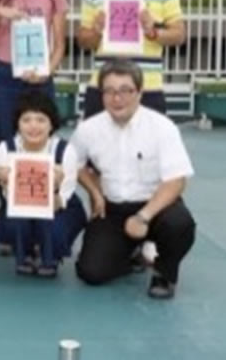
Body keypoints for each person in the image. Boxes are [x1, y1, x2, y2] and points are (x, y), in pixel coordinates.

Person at [68, 59, 196, 299]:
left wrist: (143, 216)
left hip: (156, 206)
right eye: (109, 91)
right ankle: (130, 253)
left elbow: (176, 181)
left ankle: (164, 272)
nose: (117, 98)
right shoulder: (88, 129)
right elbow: (73, 164)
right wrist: (95, 192)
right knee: (91, 272)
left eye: (125, 90)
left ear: (139, 92)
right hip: (113, 208)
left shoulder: (162, 127)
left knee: (179, 224)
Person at [0, 0, 68, 248]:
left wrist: (47, 71)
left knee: (40, 144)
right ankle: (10, 219)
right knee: (7, 145)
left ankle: (40, 216)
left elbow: (59, 44)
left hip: (38, 76)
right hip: (5, 74)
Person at [0, 90, 86, 277]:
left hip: (57, 207)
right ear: (17, 124)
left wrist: (54, 188)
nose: (33, 126)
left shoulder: (65, 151)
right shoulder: (5, 150)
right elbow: (11, 200)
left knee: (54, 225)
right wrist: (5, 181)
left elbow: (62, 200)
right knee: (15, 220)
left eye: (41, 120)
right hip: (21, 205)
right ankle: (25, 253)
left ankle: (51, 255)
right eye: (26, 120)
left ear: (51, 124)